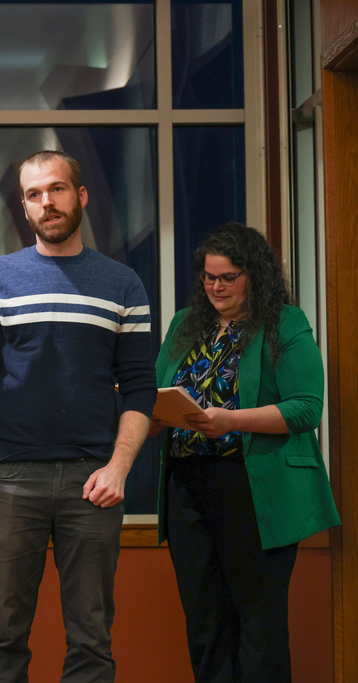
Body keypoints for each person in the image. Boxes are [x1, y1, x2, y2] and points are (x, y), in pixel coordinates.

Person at [0, 150, 157, 683]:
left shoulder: (123, 283)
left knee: (91, 640)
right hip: (11, 478)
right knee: (4, 639)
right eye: (34, 194)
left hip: (93, 480)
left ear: (80, 196)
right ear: (24, 206)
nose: (47, 202)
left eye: (57, 189)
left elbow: (139, 389)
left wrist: (119, 468)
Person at [151, 223, 340, 683]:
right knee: (204, 623)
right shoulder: (184, 323)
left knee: (259, 623)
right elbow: (159, 394)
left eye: (228, 277)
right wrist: (147, 410)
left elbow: (305, 408)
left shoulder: (284, 323)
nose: (216, 287)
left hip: (254, 487)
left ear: (254, 275)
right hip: (188, 487)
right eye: (209, 277)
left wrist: (230, 420)